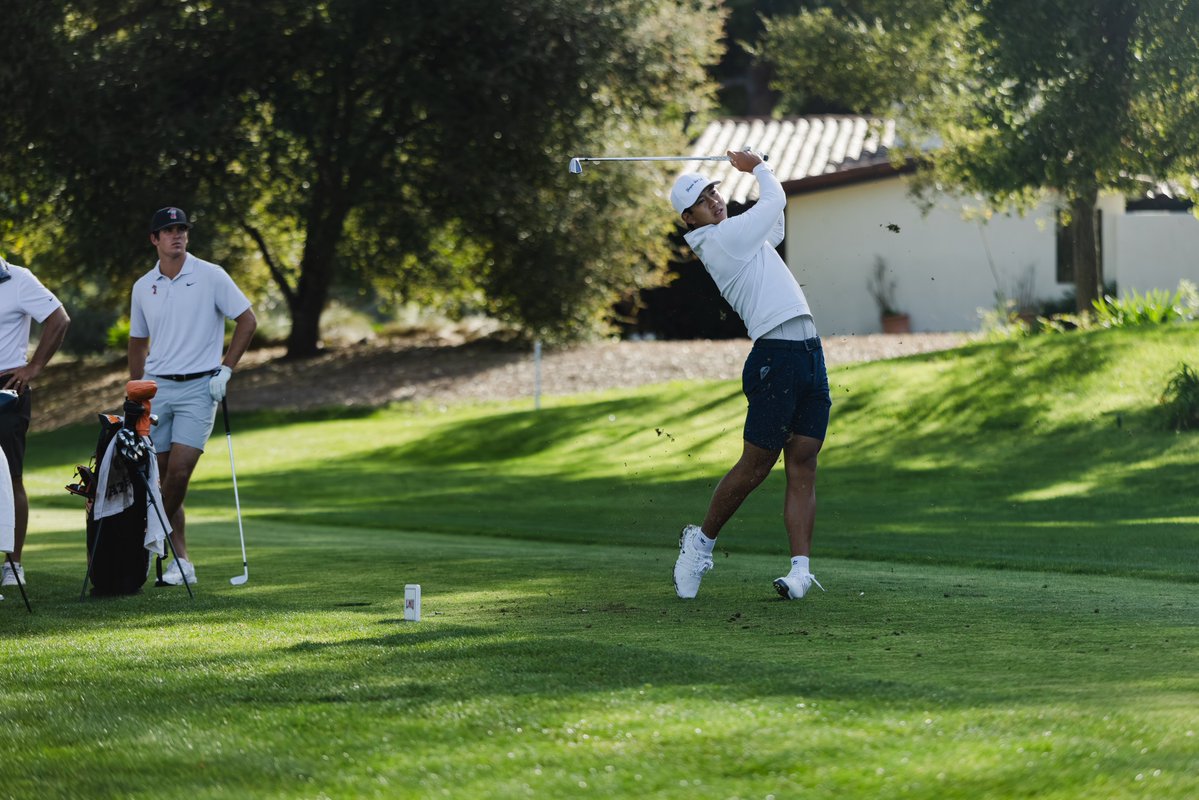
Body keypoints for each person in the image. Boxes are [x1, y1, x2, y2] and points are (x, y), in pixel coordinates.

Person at [670, 150, 831, 601]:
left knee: (803, 460)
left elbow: (774, 221)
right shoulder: (721, 240)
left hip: (808, 352)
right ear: (689, 219)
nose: (716, 200)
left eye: (715, 191)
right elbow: (774, 201)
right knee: (757, 465)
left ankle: (800, 570)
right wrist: (759, 168)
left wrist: (766, 175)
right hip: (775, 356)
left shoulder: (738, 235)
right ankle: (699, 544)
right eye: (704, 199)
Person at [128, 207, 256, 586]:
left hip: (200, 387)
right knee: (162, 474)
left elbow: (247, 319)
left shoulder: (210, 275)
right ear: (154, 239)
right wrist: (136, 389)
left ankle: (141, 540)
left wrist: (227, 368)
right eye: (168, 231)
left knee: (180, 473)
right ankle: (180, 561)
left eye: (181, 229)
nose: (177, 235)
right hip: (156, 388)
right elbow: (137, 342)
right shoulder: (142, 286)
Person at [0, 254, 71, 590]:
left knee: (11, 476)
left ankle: (14, 564)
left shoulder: (19, 279)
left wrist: (34, 368)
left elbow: (59, 320)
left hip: (7, 389)